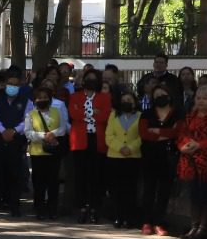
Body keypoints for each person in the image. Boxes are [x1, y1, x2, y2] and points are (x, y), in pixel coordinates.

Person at [177, 84, 207, 239]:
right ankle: (194, 226)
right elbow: (182, 134)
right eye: (198, 98)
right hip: (190, 161)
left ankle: (203, 228)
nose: (201, 101)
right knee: (194, 195)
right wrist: (183, 145)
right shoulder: (191, 115)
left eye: (205, 98)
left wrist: (200, 145)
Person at [67, 69, 112, 223]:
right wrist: (94, 113)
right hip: (80, 141)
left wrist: (86, 113)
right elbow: (74, 115)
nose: (91, 81)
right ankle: (82, 208)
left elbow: (105, 116)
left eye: (94, 79)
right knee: (81, 176)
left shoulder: (105, 97)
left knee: (96, 176)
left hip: (97, 140)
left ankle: (94, 208)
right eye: (88, 78)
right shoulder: (74, 96)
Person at [138, 84, 180, 236]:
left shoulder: (177, 113)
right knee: (148, 189)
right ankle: (146, 221)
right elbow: (143, 133)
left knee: (164, 191)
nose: (159, 97)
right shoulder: (147, 114)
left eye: (162, 94)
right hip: (150, 156)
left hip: (168, 156)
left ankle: (159, 222)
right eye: (156, 95)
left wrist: (157, 131)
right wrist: (165, 134)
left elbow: (178, 132)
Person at [0, 70, 30, 218]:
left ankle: (14, 206)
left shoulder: (26, 101)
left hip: (16, 141)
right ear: (5, 84)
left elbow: (27, 119)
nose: (13, 86)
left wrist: (13, 131)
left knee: (15, 175)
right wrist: (3, 130)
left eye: (16, 85)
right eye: (10, 84)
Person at [25, 83, 69, 219]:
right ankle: (39, 209)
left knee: (53, 182)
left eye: (45, 97)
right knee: (38, 183)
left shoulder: (56, 111)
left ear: (50, 99)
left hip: (53, 152)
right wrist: (43, 136)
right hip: (37, 153)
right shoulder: (30, 114)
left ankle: (52, 209)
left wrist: (53, 134)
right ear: (35, 100)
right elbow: (28, 133)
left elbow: (63, 128)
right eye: (39, 97)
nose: (42, 100)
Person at [104, 89, 143, 229]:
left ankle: (129, 217)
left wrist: (130, 148)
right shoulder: (113, 115)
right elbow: (109, 136)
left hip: (133, 157)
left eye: (129, 100)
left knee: (130, 189)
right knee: (116, 189)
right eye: (124, 101)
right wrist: (120, 148)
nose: (127, 103)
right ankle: (117, 216)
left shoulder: (140, 116)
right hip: (115, 156)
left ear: (135, 102)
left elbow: (141, 136)